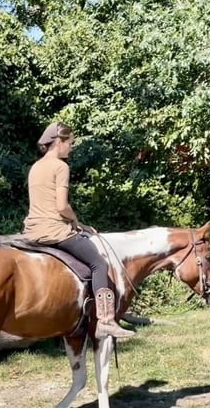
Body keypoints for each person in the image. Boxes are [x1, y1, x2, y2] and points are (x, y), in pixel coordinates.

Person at [22, 121, 134, 340]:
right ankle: (105, 321)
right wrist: (76, 221)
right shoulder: (60, 166)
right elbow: (62, 206)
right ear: (59, 142)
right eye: (69, 143)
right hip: (54, 231)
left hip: (32, 230)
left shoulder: (36, 167)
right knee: (98, 263)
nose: (71, 148)